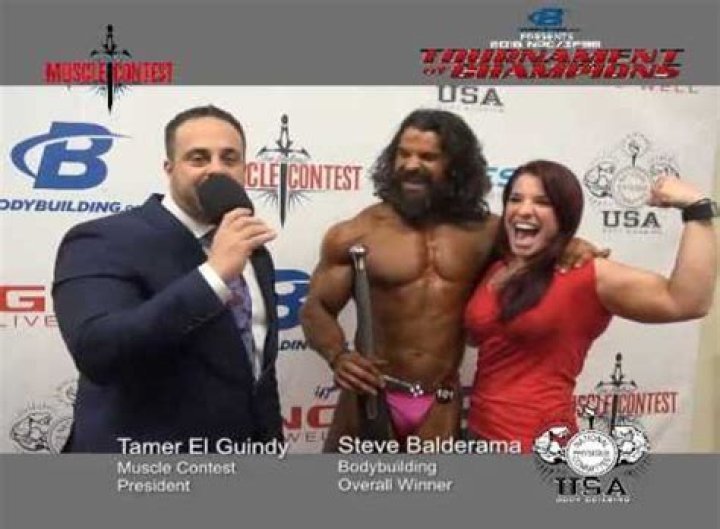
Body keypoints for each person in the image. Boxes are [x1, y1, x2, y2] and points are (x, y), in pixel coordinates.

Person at [300, 110, 598, 451]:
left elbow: (535, 243)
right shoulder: (355, 233)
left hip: (439, 402)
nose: (411, 165)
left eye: (427, 157)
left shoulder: (488, 233)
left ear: (455, 165)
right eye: (403, 154)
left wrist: (569, 245)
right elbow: (316, 308)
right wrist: (339, 355)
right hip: (369, 395)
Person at [53, 105, 282, 452]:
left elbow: (257, 366)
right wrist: (213, 275)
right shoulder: (103, 239)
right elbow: (98, 352)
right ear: (169, 168)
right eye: (198, 158)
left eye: (229, 158)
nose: (216, 169)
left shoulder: (251, 248)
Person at [464, 160, 717, 453]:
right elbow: (480, 336)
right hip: (478, 437)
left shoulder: (586, 274)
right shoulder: (497, 267)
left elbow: (687, 301)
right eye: (515, 199)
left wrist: (697, 209)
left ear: (565, 214)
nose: (523, 210)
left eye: (542, 202)